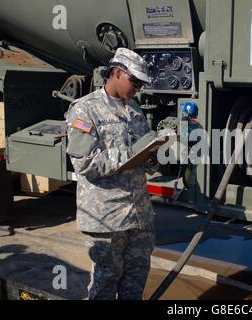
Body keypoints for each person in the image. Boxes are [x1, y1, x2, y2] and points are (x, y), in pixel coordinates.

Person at [66, 48, 155, 299]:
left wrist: (155, 152)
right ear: (117, 72)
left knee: (135, 281)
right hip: (106, 217)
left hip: (138, 215)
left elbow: (142, 151)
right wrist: (128, 156)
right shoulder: (85, 110)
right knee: (105, 283)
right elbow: (84, 163)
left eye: (141, 83)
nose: (137, 87)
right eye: (134, 81)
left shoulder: (135, 109)